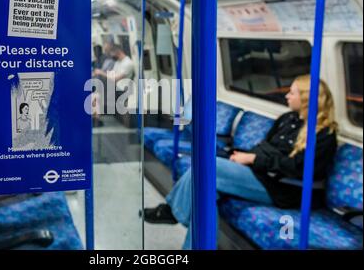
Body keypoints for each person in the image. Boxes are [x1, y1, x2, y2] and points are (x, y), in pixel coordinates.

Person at [144, 75, 338, 249]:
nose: (287, 95)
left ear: (306, 99)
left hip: (285, 189)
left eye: (292, 92)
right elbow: (265, 146)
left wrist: (254, 159)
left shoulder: (324, 135)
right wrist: (243, 158)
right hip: (261, 175)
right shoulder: (287, 119)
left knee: (208, 166)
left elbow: (298, 168)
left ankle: (172, 210)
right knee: (207, 193)